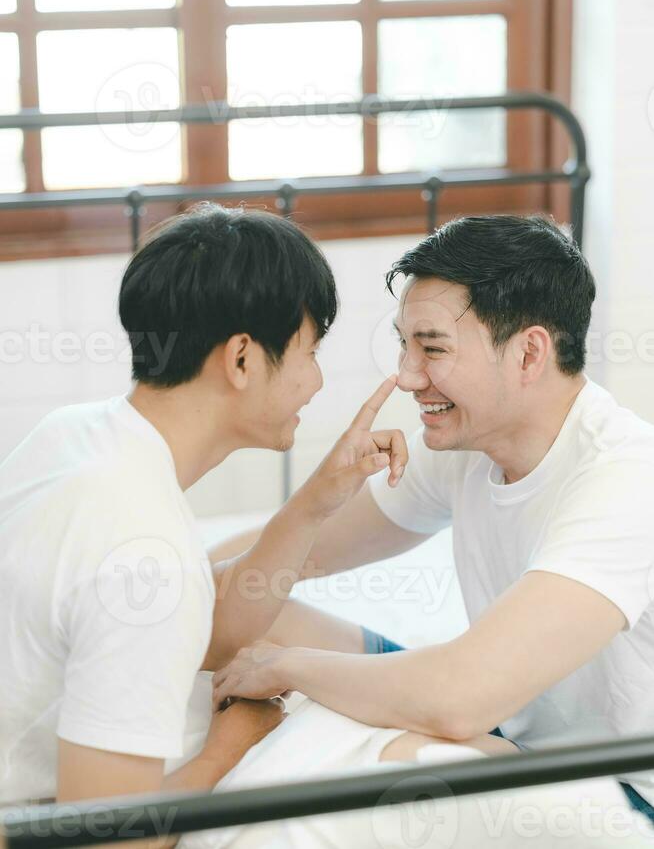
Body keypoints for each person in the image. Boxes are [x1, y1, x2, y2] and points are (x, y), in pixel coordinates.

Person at [212, 215, 654, 822]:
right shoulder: (468, 442)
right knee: (260, 611)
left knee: (408, 759)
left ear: (528, 353)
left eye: (433, 348)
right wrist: (173, 577)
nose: (408, 376)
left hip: (628, 792)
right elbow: (284, 563)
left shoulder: (625, 478)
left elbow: (459, 700)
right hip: (511, 727)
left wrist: (290, 669)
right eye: (404, 343)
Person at [0, 203, 407, 809]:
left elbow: (201, 626)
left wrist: (315, 503)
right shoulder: (142, 552)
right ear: (242, 358)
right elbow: (105, 841)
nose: (317, 383)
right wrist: (229, 747)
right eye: (311, 352)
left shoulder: (75, 433)